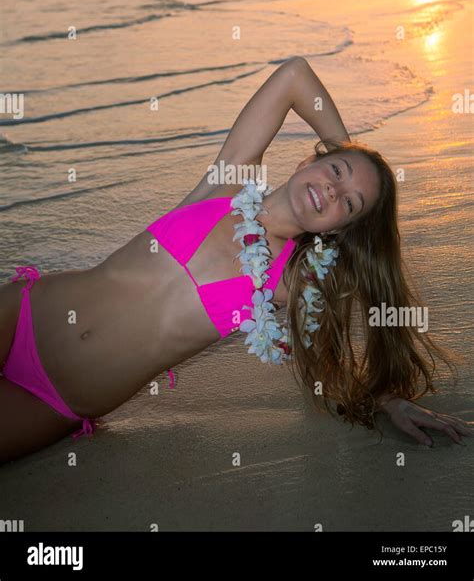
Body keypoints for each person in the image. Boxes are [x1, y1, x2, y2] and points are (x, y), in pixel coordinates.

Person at [0, 56, 471, 464]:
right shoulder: (225, 185)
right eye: (334, 172)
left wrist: (389, 400)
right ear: (308, 161)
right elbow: (294, 75)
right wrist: (346, 152)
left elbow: (330, 356)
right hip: (24, 313)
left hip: (53, 402)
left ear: (341, 231)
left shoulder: (290, 282)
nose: (333, 190)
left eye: (349, 204)